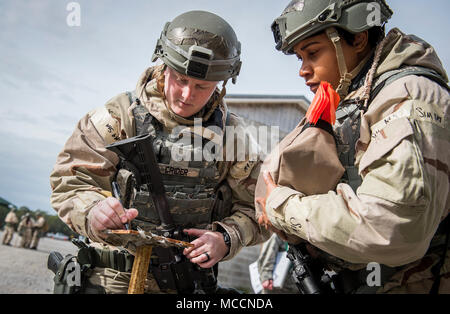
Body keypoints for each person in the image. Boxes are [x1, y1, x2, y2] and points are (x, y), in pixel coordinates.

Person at [49, 10, 270, 294]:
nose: (187, 95)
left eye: (202, 86)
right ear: (163, 66)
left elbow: (261, 208)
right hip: (112, 279)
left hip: (185, 283)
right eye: (180, 79)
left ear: (222, 84)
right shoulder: (118, 118)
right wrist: (92, 210)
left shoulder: (234, 139)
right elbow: (71, 180)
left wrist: (226, 237)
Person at [258, 0, 449, 294]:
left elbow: (393, 228)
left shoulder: (407, 96)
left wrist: (284, 206)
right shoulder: (356, 98)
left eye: (312, 53)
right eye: (299, 58)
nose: (302, 70)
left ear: (358, 39)